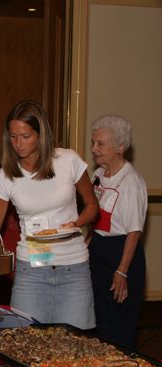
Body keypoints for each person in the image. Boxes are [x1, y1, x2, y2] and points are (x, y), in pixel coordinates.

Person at [0, 100, 99, 330]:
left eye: (25, 136)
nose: (18, 144)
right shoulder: (6, 176)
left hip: (74, 268)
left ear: (41, 135)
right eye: (13, 136)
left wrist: (77, 223)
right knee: (25, 345)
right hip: (32, 270)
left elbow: (92, 205)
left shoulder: (68, 161)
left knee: (73, 349)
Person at [89, 114, 147, 348]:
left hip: (121, 254)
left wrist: (121, 272)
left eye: (100, 144)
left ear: (120, 147)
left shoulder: (131, 182)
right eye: (93, 143)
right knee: (98, 324)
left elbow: (134, 231)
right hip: (98, 251)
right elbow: (94, 220)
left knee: (117, 330)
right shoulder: (98, 176)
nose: (94, 149)